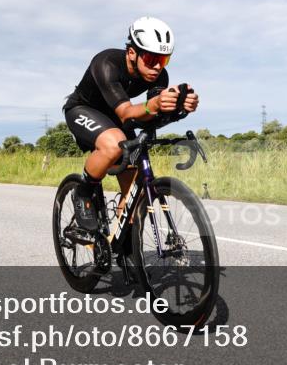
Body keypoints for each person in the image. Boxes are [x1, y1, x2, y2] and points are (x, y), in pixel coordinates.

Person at [62, 16, 199, 231]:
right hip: (83, 109)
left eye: (164, 60)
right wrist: (154, 105)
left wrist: (178, 107)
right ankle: (83, 193)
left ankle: (124, 245)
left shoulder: (159, 76)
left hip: (117, 118)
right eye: (151, 58)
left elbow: (151, 116)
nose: (157, 67)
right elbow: (127, 113)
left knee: (136, 194)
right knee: (114, 143)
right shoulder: (106, 63)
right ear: (132, 52)